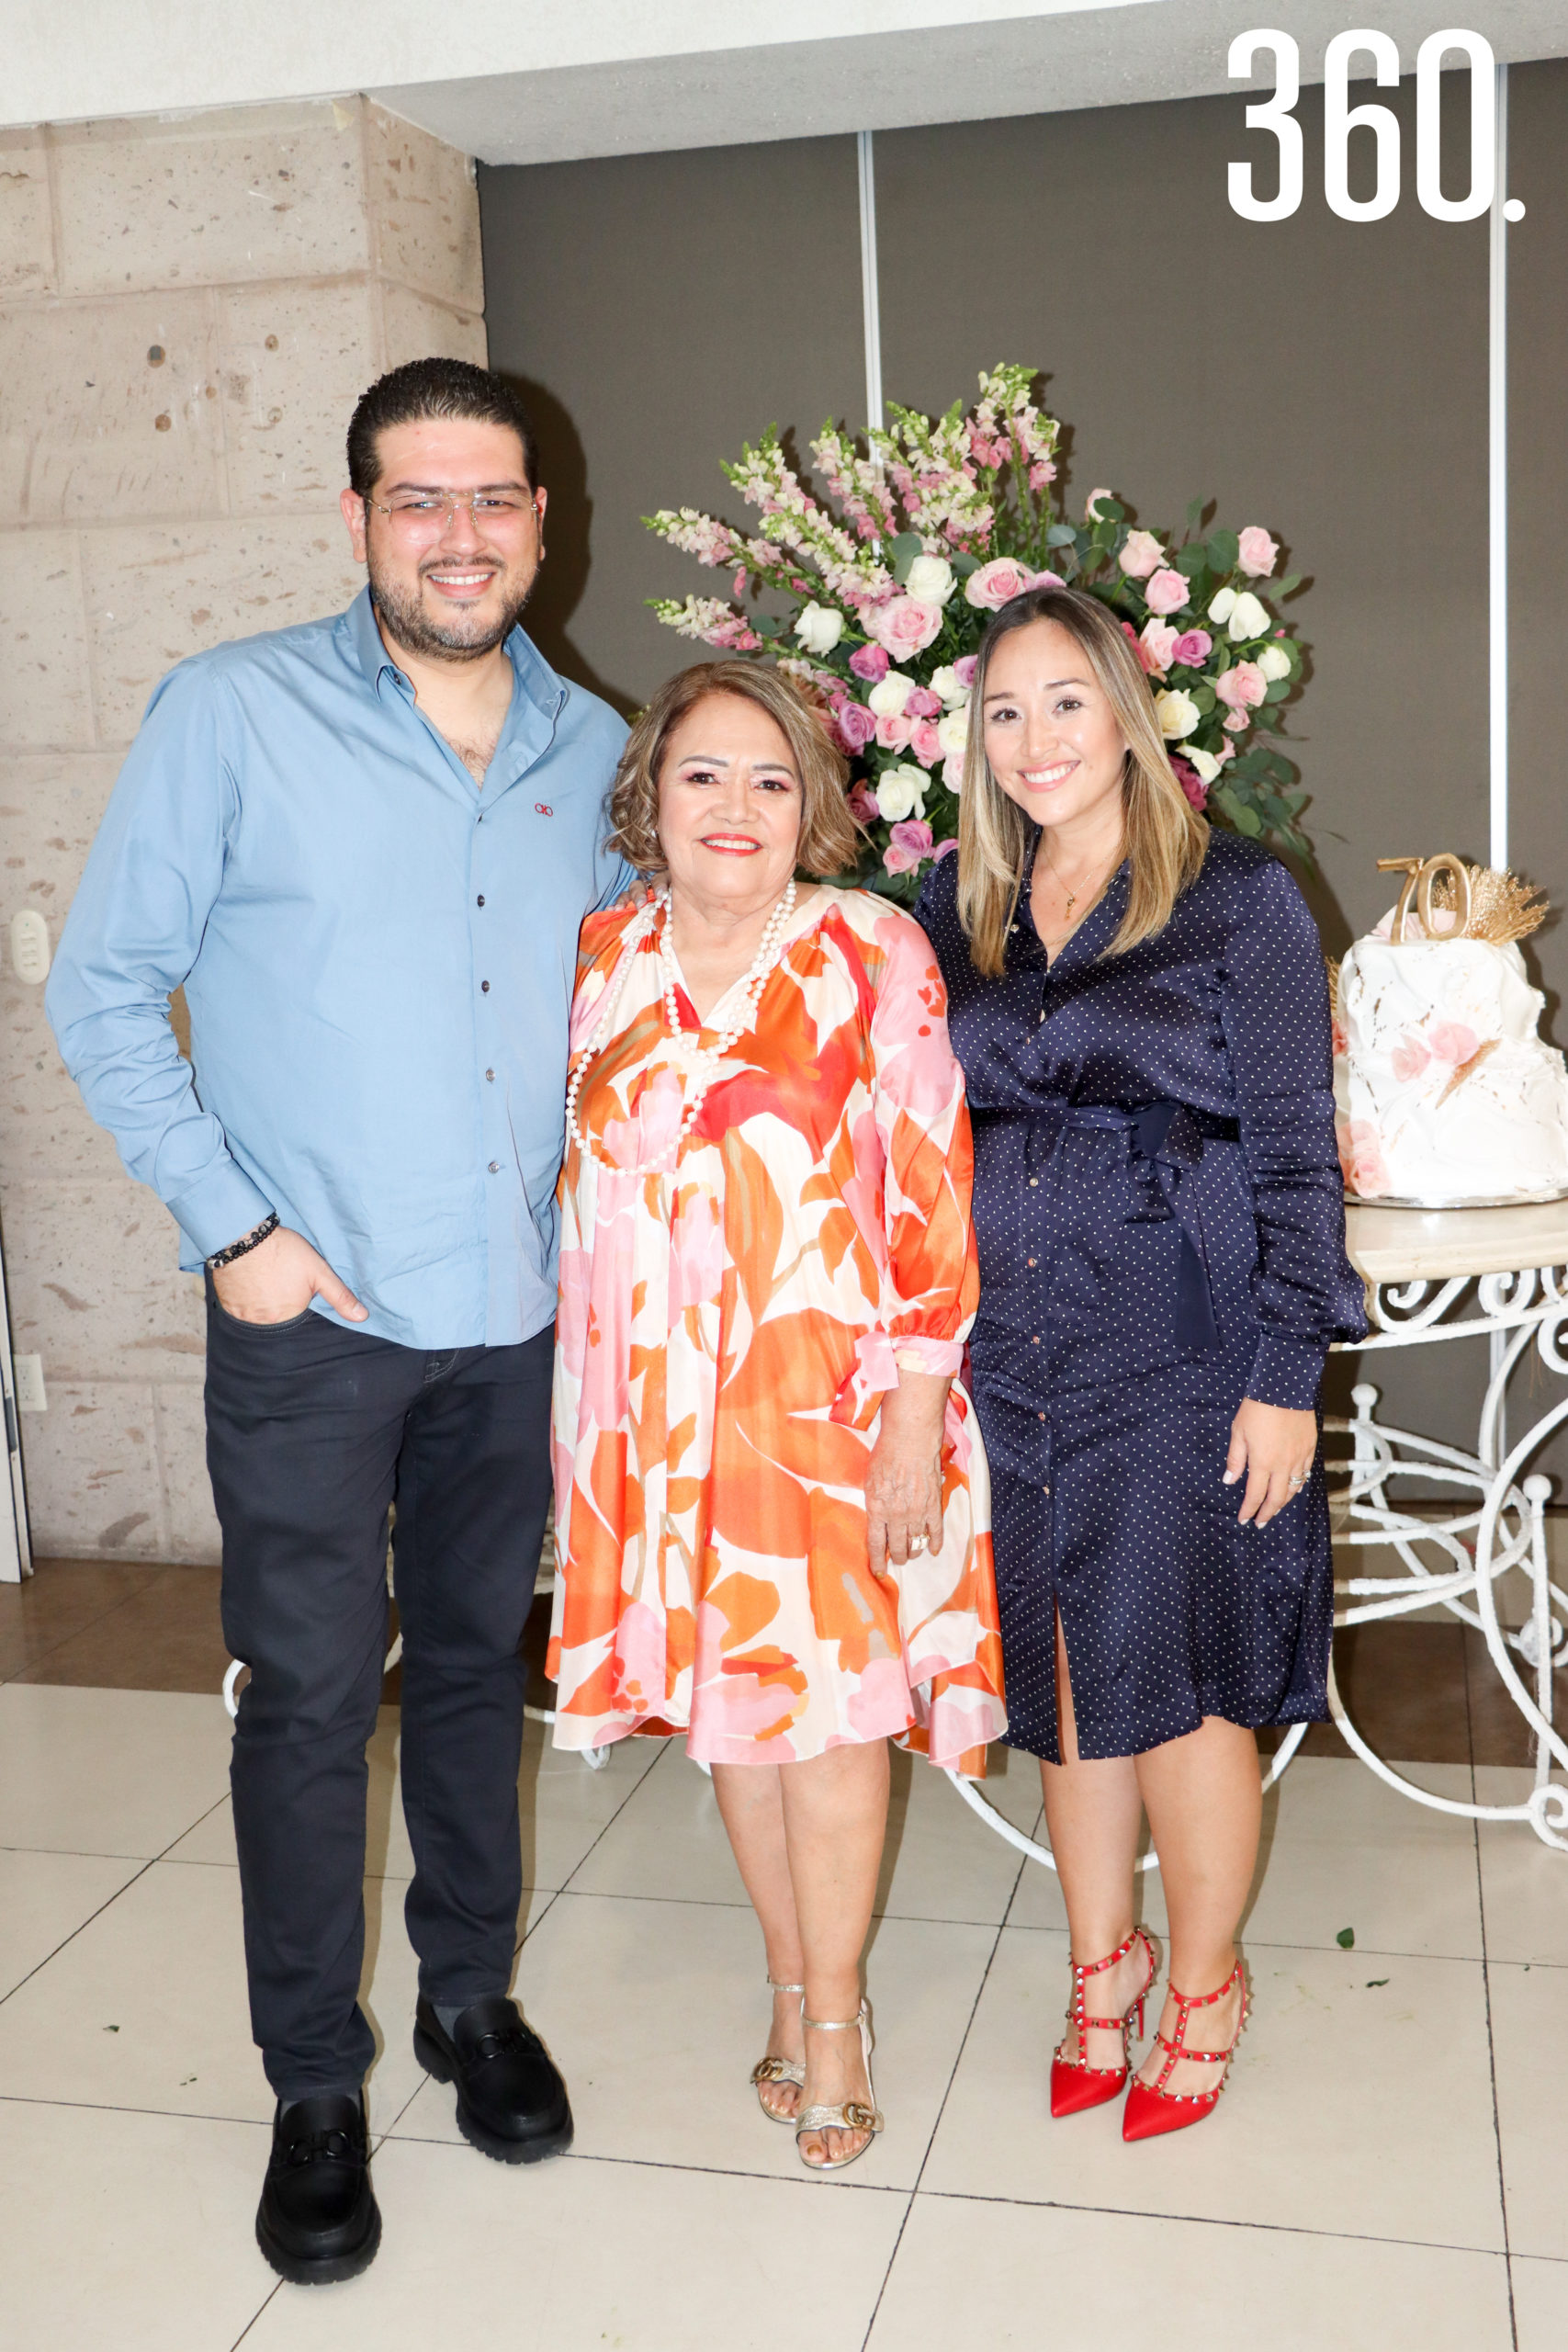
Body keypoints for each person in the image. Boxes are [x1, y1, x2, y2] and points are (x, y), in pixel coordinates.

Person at [47, 357, 630, 2280]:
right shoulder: (233, 712)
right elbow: (106, 988)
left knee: (473, 1670)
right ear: (360, 517)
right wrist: (237, 1228)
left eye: (494, 497)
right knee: (306, 1702)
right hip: (310, 1314)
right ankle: (313, 2080)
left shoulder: (593, 746)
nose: (459, 533)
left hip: (514, 1304)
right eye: (417, 498)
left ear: (542, 520)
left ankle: (470, 1996)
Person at [916, 584, 1366, 2141]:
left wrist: (1283, 1366)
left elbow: (1298, 1154)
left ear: (1126, 709)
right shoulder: (950, 907)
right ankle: (1098, 1972)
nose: (1036, 739)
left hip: (1186, 1346)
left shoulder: (1237, 895)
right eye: (1003, 710)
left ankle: (1205, 1983)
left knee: (1176, 1689)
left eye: (1064, 701)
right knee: (1061, 1676)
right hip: (1010, 1352)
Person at [547, 662, 1006, 2171]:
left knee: (831, 1728)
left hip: (829, 1407)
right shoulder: (603, 951)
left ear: (811, 800)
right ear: (652, 800)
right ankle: (787, 1975)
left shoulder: (872, 950)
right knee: (732, 1723)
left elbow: (935, 1194)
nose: (735, 808)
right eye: (702, 777)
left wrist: (911, 1421)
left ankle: (837, 2019)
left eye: (767, 779)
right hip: (650, 1419)